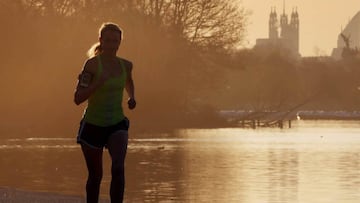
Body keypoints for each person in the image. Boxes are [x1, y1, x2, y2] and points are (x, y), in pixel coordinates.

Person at [74, 22, 136, 203]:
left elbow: (129, 82)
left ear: (119, 43)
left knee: (118, 168)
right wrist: (97, 84)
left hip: (116, 123)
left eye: (115, 41)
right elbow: (78, 98)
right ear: (101, 41)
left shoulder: (126, 65)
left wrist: (132, 97)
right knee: (95, 176)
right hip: (93, 124)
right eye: (107, 41)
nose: (111, 45)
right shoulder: (92, 65)